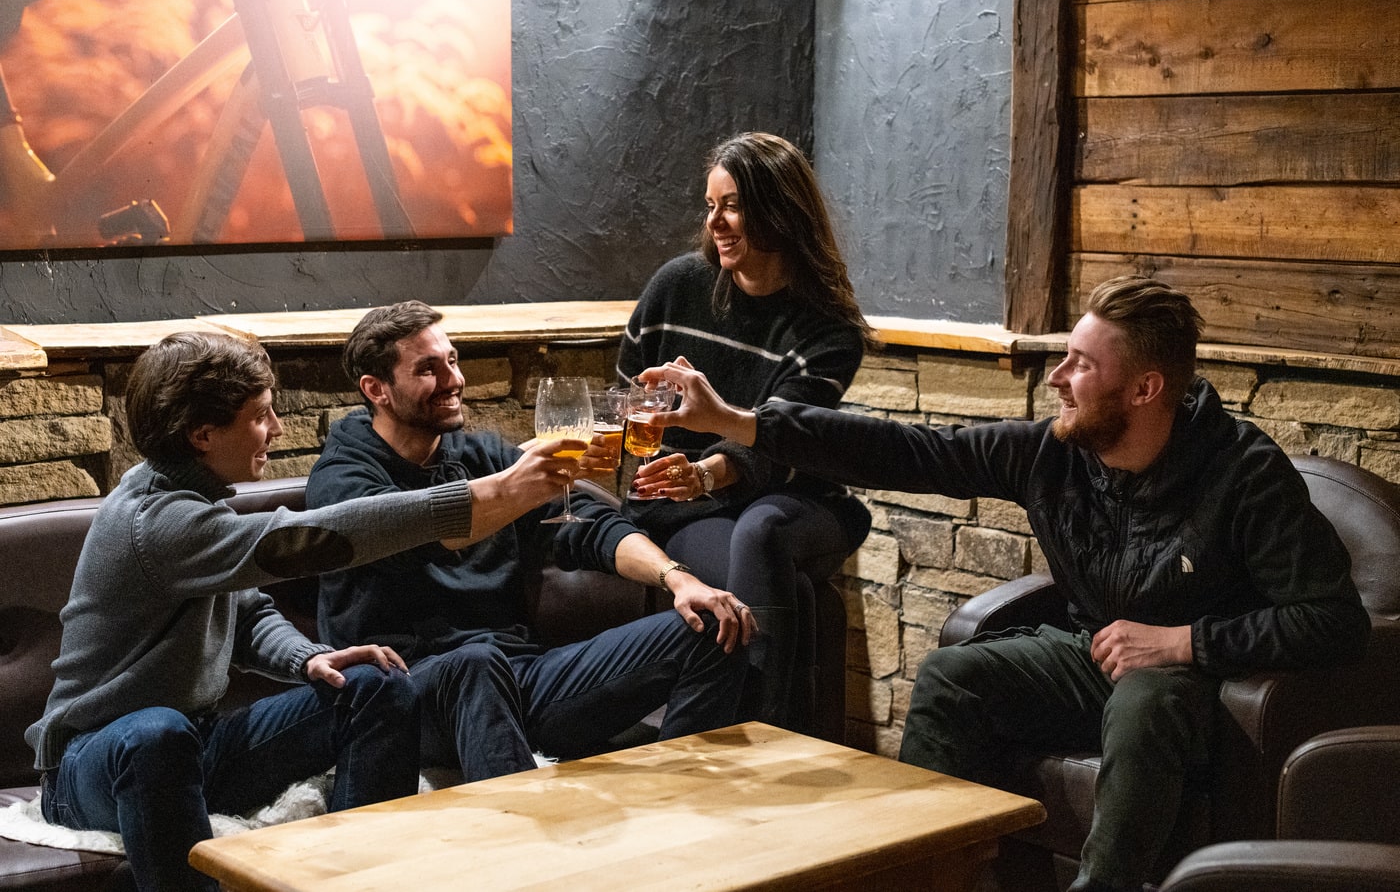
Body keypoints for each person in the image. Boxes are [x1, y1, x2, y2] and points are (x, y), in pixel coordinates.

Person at [639, 275, 1372, 892]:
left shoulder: (1244, 474)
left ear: (1146, 387)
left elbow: (1336, 619)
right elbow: (908, 451)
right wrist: (741, 423)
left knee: (1148, 697)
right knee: (956, 673)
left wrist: (1185, 640)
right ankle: (924, 873)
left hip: (1202, 683)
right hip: (1094, 658)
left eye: (1081, 365)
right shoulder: (1057, 453)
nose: (1055, 378)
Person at [24, 331, 489, 892]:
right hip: (89, 767)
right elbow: (307, 537)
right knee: (156, 734)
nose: (278, 430)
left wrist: (309, 660)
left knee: (375, 686)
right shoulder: (155, 523)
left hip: (195, 745)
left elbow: (246, 612)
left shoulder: (198, 499)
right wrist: (470, 501)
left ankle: (357, 878)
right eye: (263, 416)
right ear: (203, 435)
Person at [305, 300, 755, 784]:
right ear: (377, 390)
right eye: (428, 369)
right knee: (474, 664)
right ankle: (525, 841)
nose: (453, 380)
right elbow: (423, 534)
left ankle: (676, 805)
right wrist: (518, 484)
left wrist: (677, 578)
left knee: (714, 623)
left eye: (452, 361)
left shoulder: (482, 454)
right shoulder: (342, 479)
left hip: (523, 678)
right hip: (409, 693)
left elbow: (588, 525)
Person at [615, 131, 876, 733]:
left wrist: (704, 471)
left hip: (789, 497)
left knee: (761, 531)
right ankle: (781, 742)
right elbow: (628, 403)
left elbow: (781, 439)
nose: (716, 225)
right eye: (710, 207)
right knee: (792, 591)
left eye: (731, 205)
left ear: (779, 211)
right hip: (686, 509)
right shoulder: (676, 288)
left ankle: (760, 740)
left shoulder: (829, 332)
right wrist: (649, 466)